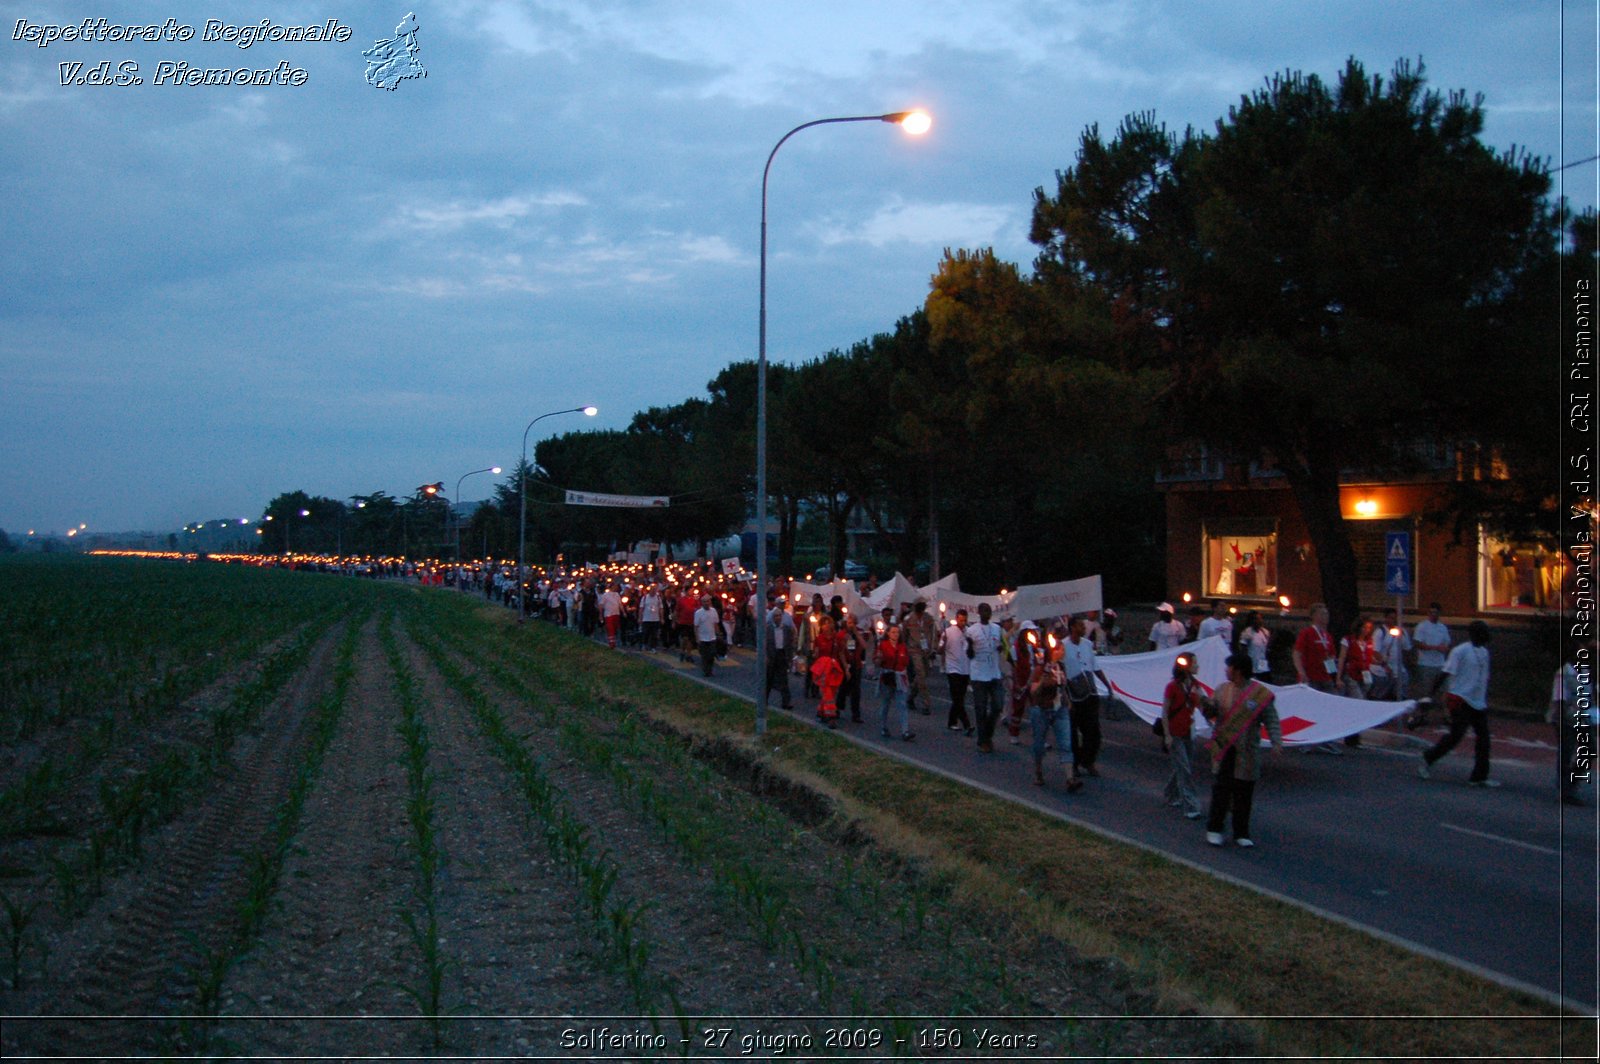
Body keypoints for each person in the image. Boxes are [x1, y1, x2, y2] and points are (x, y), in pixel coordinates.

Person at [1201, 652, 1284, 846]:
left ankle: (1241, 832)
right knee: (1221, 790)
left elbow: (1271, 719)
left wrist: (1276, 740)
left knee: (1244, 793)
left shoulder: (1259, 693)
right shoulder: (1221, 690)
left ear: (1237, 670)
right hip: (1225, 748)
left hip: (1248, 751)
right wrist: (1203, 704)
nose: (1226, 670)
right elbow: (1211, 713)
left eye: (1229, 667)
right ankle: (1215, 828)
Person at [1418, 621, 1496, 786]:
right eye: (1484, 633)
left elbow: (1484, 677)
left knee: (1484, 739)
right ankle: (1428, 757)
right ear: (1475, 634)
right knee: (1456, 736)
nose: (1487, 637)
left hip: (1478, 702)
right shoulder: (1460, 651)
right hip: (1460, 699)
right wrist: (1429, 695)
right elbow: (1444, 673)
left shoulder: (1484, 653)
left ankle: (1479, 776)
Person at [1028, 640, 1083, 793]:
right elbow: (1033, 692)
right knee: (1039, 745)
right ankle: (1038, 771)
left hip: (1060, 710)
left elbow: (1062, 686)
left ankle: (1070, 779)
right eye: (1060, 649)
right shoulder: (1040, 668)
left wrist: (1068, 700)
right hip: (1042, 710)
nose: (1063, 651)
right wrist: (1043, 680)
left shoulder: (1062, 667)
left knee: (1066, 744)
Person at [1063, 615, 1113, 778]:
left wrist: (1107, 685)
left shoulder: (1087, 645)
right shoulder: (1063, 646)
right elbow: (1060, 669)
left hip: (1090, 691)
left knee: (1093, 732)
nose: (1084, 629)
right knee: (1073, 732)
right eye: (1080, 626)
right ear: (1072, 628)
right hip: (1073, 693)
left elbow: (1095, 667)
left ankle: (1088, 760)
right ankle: (1075, 764)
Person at [1161, 657, 1204, 818]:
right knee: (1185, 769)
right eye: (1195, 663)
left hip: (1188, 731)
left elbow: (1201, 705)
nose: (1197, 666)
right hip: (1174, 733)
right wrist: (1167, 735)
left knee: (1183, 766)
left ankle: (1171, 793)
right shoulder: (1171, 687)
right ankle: (1192, 806)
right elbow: (1165, 712)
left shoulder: (1195, 686)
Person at [1552, 651, 1592, 806]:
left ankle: (1570, 783)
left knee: (1588, 749)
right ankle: (1566, 789)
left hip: (1583, 716)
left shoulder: (1585, 670)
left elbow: (1589, 695)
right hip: (1567, 718)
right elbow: (1559, 699)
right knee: (1566, 752)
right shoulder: (1564, 673)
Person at [966, 603, 1005, 752]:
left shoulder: (996, 629)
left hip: (994, 672)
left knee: (998, 705)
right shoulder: (971, 631)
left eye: (989, 610)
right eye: (985, 610)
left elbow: (1001, 646)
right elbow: (969, 655)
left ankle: (987, 733)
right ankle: (983, 740)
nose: (988, 613)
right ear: (979, 612)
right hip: (979, 674)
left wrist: (1001, 647)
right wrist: (970, 645)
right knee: (980, 708)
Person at [1409, 603, 1451, 725]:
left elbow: (1447, 643)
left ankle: (1446, 715)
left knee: (1444, 690)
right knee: (1426, 692)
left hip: (1440, 663)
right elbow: (1417, 643)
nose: (1433, 615)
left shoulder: (1442, 628)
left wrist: (1444, 648)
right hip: (1426, 663)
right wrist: (1434, 647)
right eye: (1431, 612)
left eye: (1436, 612)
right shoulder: (1422, 627)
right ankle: (1423, 715)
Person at [875, 623, 914, 741]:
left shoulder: (902, 647)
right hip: (887, 676)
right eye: (893, 632)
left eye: (897, 632)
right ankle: (883, 726)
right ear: (888, 633)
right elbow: (877, 661)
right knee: (885, 703)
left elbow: (906, 662)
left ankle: (905, 730)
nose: (895, 634)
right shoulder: (883, 645)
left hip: (900, 677)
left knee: (902, 704)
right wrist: (880, 659)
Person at [940, 608, 973, 735]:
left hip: (965, 669)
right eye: (960, 620)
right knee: (957, 697)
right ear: (956, 619)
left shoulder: (969, 632)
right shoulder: (948, 632)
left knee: (959, 698)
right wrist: (944, 643)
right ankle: (967, 725)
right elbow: (939, 649)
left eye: (964, 620)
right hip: (953, 668)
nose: (963, 623)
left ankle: (952, 722)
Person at [904, 600, 938, 716]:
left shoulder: (928, 618)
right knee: (920, 674)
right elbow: (905, 635)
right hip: (914, 650)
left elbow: (934, 634)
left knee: (922, 675)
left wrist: (933, 648)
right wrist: (905, 650)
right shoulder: (909, 619)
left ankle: (910, 697)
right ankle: (926, 703)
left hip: (926, 651)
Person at [1369, 608, 1411, 702]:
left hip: (1399, 668)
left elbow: (1407, 649)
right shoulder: (1380, 632)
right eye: (1391, 618)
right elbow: (1375, 652)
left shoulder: (1402, 632)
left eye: (1394, 618)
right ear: (1386, 618)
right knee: (1382, 693)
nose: (1393, 620)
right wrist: (1385, 666)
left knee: (1401, 692)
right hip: (1383, 669)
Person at [765, 594, 796, 710]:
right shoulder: (768, 628)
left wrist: (790, 655)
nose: (778, 617)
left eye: (779, 616)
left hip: (782, 654)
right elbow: (764, 642)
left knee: (784, 680)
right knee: (769, 678)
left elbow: (790, 640)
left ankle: (786, 702)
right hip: (772, 654)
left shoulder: (786, 627)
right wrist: (765, 655)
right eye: (776, 616)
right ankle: (764, 700)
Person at [837, 612, 868, 723]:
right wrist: (845, 666)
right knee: (843, 688)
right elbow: (841, 651)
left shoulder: (858, 633)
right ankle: (837, 708)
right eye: (849, 622)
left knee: (856, 690)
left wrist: (856, 633)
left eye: (853, 623)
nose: (851, 625)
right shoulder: (842, 634)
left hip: (856, 663)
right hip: (845, 663)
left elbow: (864, 646)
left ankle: (856, 714)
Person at [1238, 611, 1273, 683]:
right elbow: (1242, 648)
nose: (1259, 621)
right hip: (1252, 663)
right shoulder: (1247, 632)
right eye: (1256, 619)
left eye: (1260, 619)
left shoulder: (1265, 632)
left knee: (1265, 681)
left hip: (1262, 662)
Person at [693, 594, 721, 677]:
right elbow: (696, 626)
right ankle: (706, 671)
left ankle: (710, 669)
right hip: (703, 638)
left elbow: (716, 624)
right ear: (702, 603)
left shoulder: (713, 611)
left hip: (712, 637)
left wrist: (718, 634)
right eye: (704, 602)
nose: (706, 603)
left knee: (711, 654)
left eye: (708, 601)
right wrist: (697, 638)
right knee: (705, 656)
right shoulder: (698, 613)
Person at [599, 582, 623, 648]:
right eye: (615, 586)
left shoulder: (617, 594)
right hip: (608, 614)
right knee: (610, 628)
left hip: (616, 613)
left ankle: (613, 639)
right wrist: (600, 615)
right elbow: (601, 605)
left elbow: (620, 604)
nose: (616, 587)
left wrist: (623, 612)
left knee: (615, 627)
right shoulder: (605, 595)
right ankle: (611, 643)